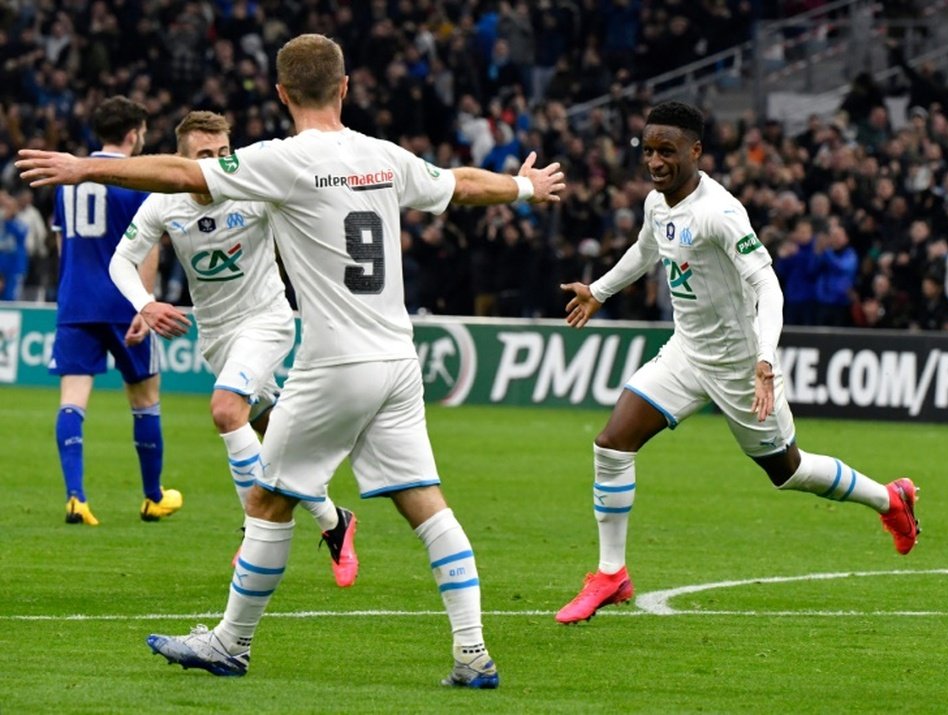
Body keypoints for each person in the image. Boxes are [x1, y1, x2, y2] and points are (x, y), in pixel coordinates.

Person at [18, 34, 565, 687]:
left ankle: (230, 642)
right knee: (425, 501)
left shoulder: (280, 160)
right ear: (346, 87)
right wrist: (524, 187)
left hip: (335, 364)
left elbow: (180, 175)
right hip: (397, 358)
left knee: (269, 500)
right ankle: (473, 652)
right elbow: (461, 185)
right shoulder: (383, 155)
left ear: (280, 94)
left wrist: (88, 167)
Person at [555, 101, 920, 625]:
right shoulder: (659, 204)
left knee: (787, 471)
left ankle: (890, 500)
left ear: (695, 152)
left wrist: (766, 360)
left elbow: (767, 285)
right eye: (650, 150)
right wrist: (599, 292)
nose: (655, 162)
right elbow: (645, 249)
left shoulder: (720, 213)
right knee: (612, 443)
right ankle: (611, 574)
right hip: (686, 352)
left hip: (739, 364)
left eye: (668, 152)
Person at [107, 110, 357, 587]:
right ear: (183, 161)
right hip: (218, 335)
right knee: (274, 436)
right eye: (205, 156)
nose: (219, 163)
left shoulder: (252, 185)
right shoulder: (166, 202)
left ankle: (254, 530)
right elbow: (122, 260)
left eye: (224, 153)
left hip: (266, 320)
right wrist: (146, 304)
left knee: (226, 411)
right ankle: (334, 521)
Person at [48, 95, 182, 526]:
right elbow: (146, 251)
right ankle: (152, 497)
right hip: (124, 304)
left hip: (75, 301)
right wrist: (145, 304)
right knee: (145, 398)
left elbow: (60, 245)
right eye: (142, 133)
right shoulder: (135, 180)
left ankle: (76, 498)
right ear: (132, 134)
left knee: (72, 400)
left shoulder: (68, 177)